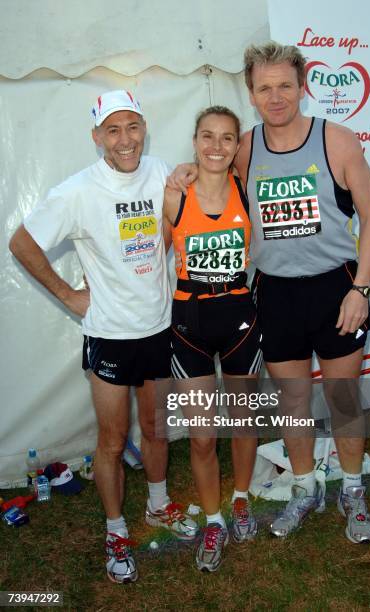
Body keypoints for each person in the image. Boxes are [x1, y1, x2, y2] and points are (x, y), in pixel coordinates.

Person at [168, 41, 370, 544]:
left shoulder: (338, 140)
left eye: (285, 85)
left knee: (343, 398)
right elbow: (208, 178)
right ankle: (305, 488)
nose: (276, 96)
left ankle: (352, 490)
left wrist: (361, 289)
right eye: (264, 88)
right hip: (276, 294)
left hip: (337, 287)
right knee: (294, 402)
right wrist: (185, 173)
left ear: (303, 86)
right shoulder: (243, 146)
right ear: (251, 92)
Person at [9, 90, 197, 585]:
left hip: (159, 329)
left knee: (156, 429)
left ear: (145, 128)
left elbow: (175, 221)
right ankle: (116, 530)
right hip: (110, 335)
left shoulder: (161, 173)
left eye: (132, 127)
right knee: (112, 440)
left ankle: (158, 506)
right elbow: (21, 242)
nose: (125, 140)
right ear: (96, 137)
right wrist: (68, 294)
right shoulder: (77, 191)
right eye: (112, 130)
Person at [164, 106, 262, 571]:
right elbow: (145, 253)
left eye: (227, 138)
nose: (216, 147)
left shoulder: (246, 185)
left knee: (243, 423)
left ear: (237, 145)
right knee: (202, 438)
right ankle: (215, 518)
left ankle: (240, 498)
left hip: (240, 317)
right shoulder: (173, 194)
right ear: (195, 140)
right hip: (190, 323)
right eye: (207, 136)